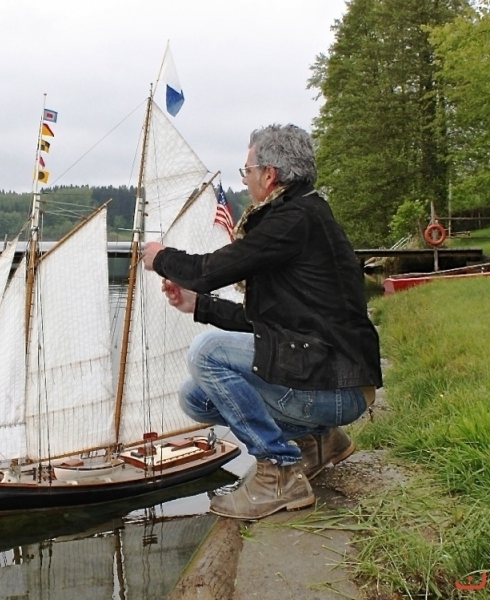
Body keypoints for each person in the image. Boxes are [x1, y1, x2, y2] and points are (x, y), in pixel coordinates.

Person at [142, 124, 382, 520]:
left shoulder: (293, 220)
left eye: (247, 170)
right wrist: (199, 306)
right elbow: (264, 322)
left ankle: (278, 474)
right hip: (329, 377)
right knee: (195, 396)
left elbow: (208, 269)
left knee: (206, 353)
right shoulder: (300, 217)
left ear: (269, 175)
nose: (246, 178)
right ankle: (318, 442)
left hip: (339, 385)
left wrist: (162, 257)